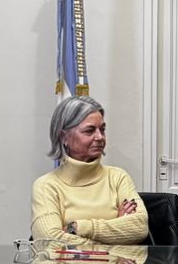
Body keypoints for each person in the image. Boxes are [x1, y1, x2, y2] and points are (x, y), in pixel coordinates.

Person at [30, 96, 149, 245]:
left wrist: (77, 228)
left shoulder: (118, 177)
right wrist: (115, 231)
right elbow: (49, 241)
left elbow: (139, 228)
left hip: (111, 263)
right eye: (89, 131)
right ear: (64, 137)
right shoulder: (46, 186)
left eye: (102, 129)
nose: (100, 137)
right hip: (70, 263)